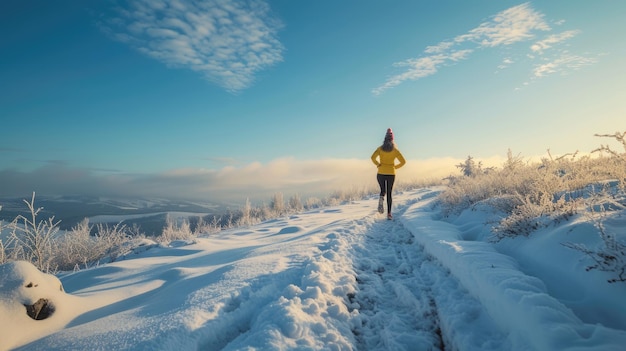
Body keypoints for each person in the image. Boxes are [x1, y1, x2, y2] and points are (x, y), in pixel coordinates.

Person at [371, 128, 406, 220]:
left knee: (383, 190)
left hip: (381, 173)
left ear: (385, 139)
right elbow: (403, 162)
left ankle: (381, 198)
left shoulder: (380, 149)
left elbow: (372, 157)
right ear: (392, 139)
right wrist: (395, 167)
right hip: (391, 173)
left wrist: (378, 164)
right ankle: (389, 214)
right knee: (389, 193)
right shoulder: (395, 151)